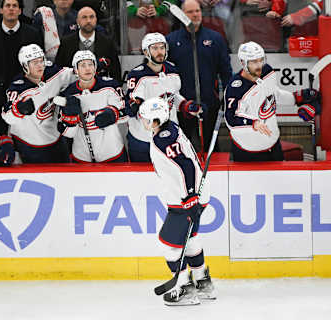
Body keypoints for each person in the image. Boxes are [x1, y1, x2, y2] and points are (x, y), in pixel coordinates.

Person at [138, 97, 215, 306]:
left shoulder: (163, 140)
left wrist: (190, 197)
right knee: (190, 239)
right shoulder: (170, 127)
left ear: (155, 120)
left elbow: (186, 167)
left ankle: (183, 289)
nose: (142, 121)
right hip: (196, 194)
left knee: (170, 244)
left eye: (145, 118)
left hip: (185, 200)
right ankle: (203, 282)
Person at [224, 41, 320, 162]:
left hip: (273, 144)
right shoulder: (236, 88)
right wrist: (253, 123)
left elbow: (274, 94)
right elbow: (230, 118)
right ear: (243, 62)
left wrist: (296, 98)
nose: (259, 65)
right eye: (254, 62)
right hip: (247, 149)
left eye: (261, 60)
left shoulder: (267, 71)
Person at [167, 0, 232, 153]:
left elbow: (226, 71)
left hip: (209, 104)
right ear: (182, 15)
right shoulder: (171, 40)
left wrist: (227, 98)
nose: (195, 14)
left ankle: (214, 176)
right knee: (183, 148)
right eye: (190, 12)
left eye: (197, 11)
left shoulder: (215, 38)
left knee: (211, 149)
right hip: (182, 106)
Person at [126, 32, 203, 162]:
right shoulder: (137, 75)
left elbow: (174, 95)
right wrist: (133, 106)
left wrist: (186, 105)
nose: (159, 52)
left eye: (162, 47)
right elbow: (134, 102)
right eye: (155, 48)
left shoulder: (172, 70)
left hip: (169, 135)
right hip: (143, 138)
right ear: (146, 52)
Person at [2, 44, 76, 163]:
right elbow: (7, 116)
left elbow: (71, 75)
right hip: (30, 144)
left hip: (55, 139)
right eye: (34, 62)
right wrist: (19, 109)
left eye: (41, 60)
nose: (40, 65)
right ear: (25, 66)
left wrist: (89, 68)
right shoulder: (18, 88)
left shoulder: (52, 72)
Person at [0, 0, 43, 135]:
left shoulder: (33, 34)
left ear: (20, 11)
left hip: (25, 93)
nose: (11, 9)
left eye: (15, 6)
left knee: (25, 135)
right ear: (1, 10)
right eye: (7, 6)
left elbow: (40, 63)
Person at [57, 50, 127, 163]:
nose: (87, 68)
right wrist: (69, 117)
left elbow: (126, 115)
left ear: (95, 68)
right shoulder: (68, 93)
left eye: (90, 64)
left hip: (112, 153)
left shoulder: (110, 86)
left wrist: (112, 114)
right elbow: (68, 133)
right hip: (82, 156)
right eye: (82, 65)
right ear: (75, 70)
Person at [55, 6, 122, 82]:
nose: (88, 21)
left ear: (96, 20)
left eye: (91, 17)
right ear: (77, 21)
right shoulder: (66, 42)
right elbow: (59, 70)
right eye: (84, 17)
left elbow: (116, 70)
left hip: (100, 89)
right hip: (72, 88)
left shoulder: (107, 42)